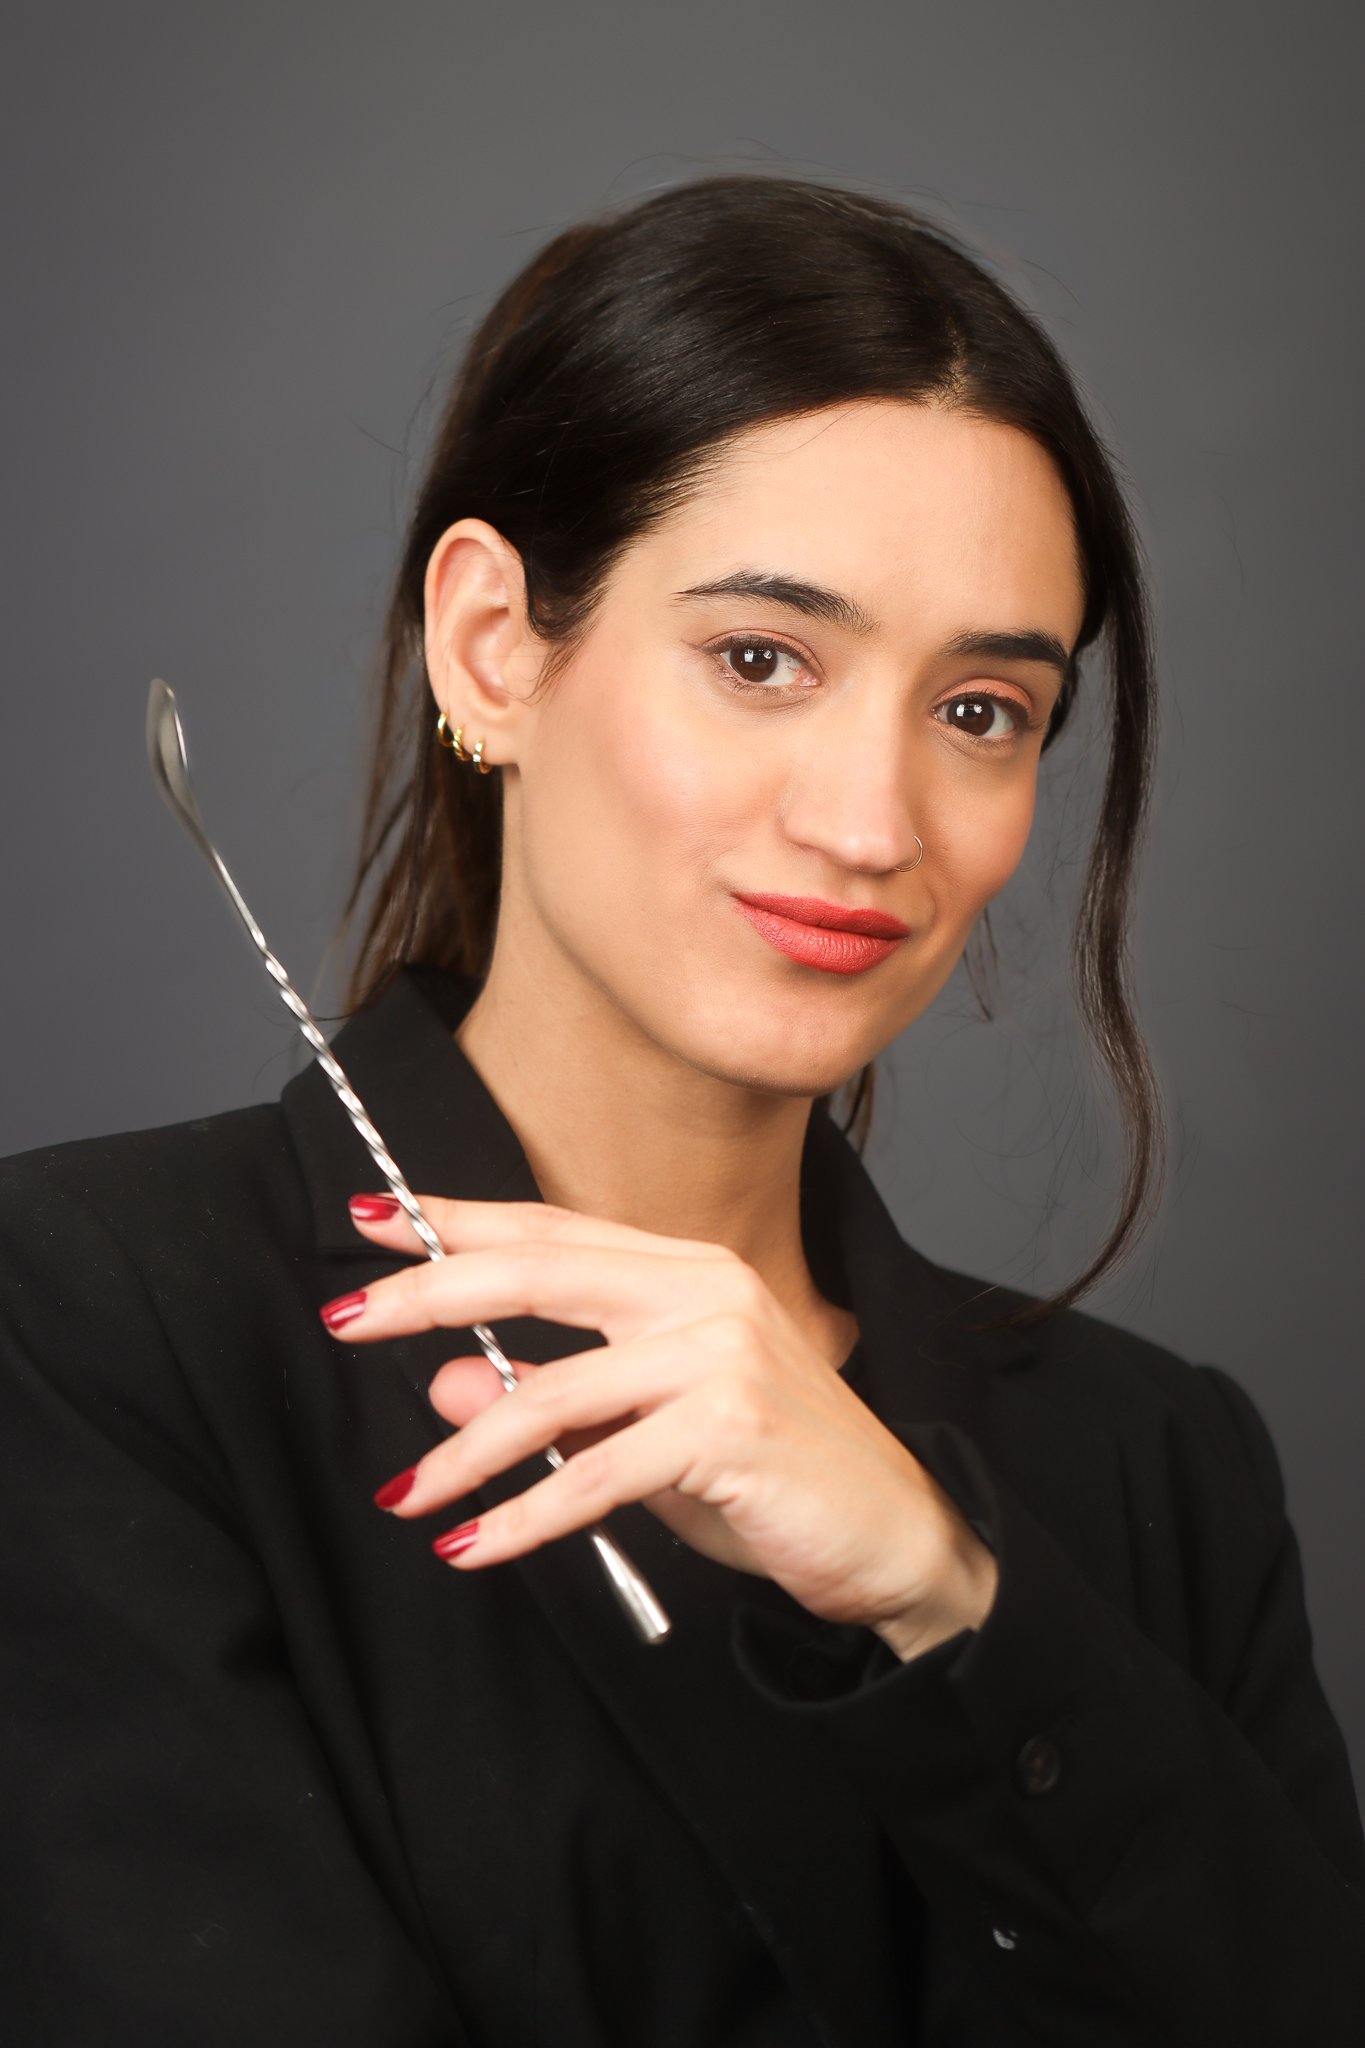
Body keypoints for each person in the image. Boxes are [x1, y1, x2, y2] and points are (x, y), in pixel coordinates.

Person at [1, 173, 1361, 2048]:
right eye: (758, 660)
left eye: (981, 711)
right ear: (495, 645)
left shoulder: (1156, 1467)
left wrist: (949, 1594)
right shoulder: (85, 1325)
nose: (872, 825)